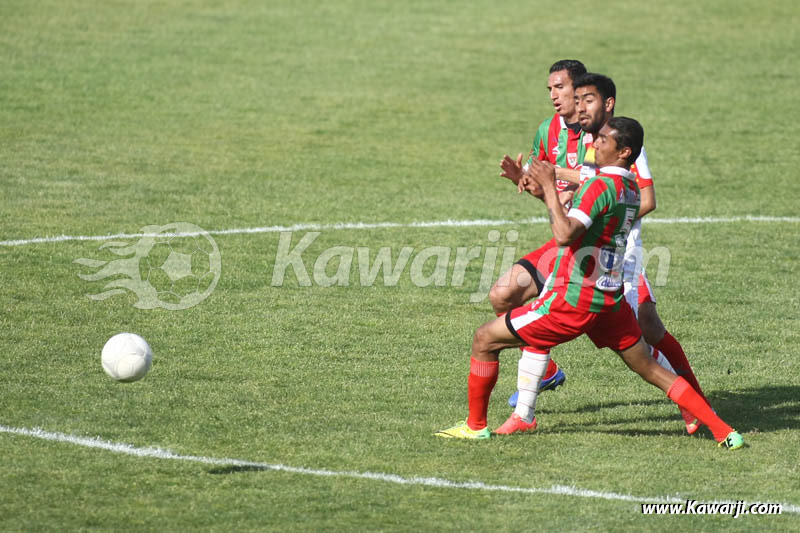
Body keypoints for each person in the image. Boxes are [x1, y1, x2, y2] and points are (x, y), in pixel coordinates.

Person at [435, 117, 743, 451]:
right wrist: (533, 185)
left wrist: (551, 185)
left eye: (604, 140)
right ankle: (723, 430)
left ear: (624, 151)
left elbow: (565, 233)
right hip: (610, 301)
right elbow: (574, 219)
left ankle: (476, 426)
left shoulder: (599, 186)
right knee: (651, 369)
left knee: (484, 338)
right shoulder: (626, 189)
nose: (595, 143)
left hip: (573, 299)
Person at [500, 71, 709, 435]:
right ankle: (525, 412)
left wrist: (598, 217)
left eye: (586, 99)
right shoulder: (590, 146)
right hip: (580, 253)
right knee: (517, 299)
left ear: (606, 104)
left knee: (647, 331)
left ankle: (696, 405)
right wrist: (540, 184)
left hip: (615, 256)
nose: (578, 106)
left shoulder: (621, 142)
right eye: (574, 99)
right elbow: (581, 196)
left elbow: (641, 199)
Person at [490, 59, 590, 400]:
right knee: (502, 295)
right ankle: (545, 372)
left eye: (559, 87)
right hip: (563, 243)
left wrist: (557, 174)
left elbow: (609, 179)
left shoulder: (602, 134)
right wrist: (525, 181)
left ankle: (692, 401)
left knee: (642, 339)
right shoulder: (547, 131)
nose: (553, 95)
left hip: (599, 252)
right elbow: (551, 198)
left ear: (579, 91)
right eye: (549, 89)